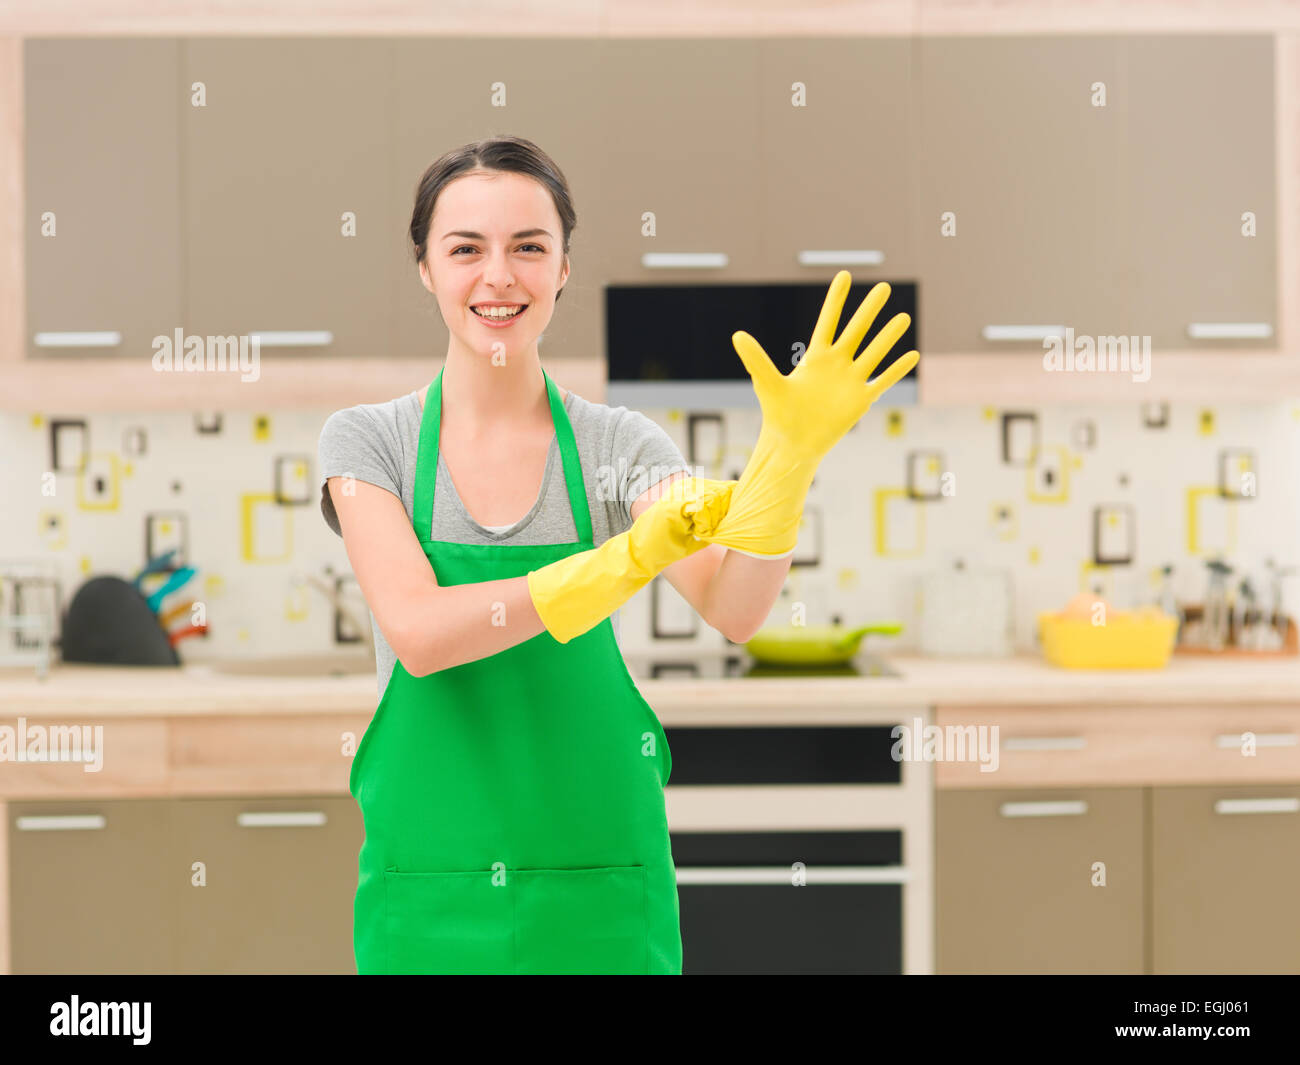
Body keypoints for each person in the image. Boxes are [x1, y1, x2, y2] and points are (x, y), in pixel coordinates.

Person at [318, 134, 917, 974]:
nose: (500, 276)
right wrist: (620, 562)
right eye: (466, 249)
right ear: (425, 266)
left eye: (530, 247)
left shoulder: (618, 445)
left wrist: (790, 455)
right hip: (431, 900)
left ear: (564, 267)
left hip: (599, 903)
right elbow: (420, 632)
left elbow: (735, 606)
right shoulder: (369, 441)